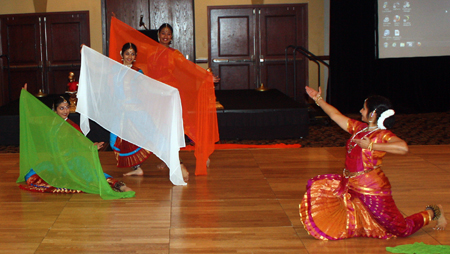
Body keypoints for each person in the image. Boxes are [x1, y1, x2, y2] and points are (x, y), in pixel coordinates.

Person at [299, 86, 447, 240]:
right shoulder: (359, 129)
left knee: (401, 229)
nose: (361, 111)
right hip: (350, 183)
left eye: (364, 108)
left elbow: (403, 147)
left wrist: (371, 146)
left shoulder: (383, 135)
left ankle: (434, 211)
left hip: (372, 188)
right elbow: (335, 115)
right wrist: (318, 99)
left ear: (373, 114)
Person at [20, 85, 132, 193]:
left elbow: (81, 141)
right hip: (55, 162)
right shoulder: (50, 123)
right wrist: (25, 99)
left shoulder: (71, 126)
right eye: (61, 108)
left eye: (67, 107)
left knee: (92, 175)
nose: (65, 111)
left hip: (71, 161)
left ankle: (119, 185)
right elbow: (31, 118)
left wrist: (92, 146)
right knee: (30, 175)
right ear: (55, 110)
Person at [111, 42, 190, 181]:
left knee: (156, 139)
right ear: (121, 54)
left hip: (136, 111)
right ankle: (137, 168)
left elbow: (149, 87)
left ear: (135, 56)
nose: (130, 56)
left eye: (132, 54)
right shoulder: (115, 70)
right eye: (127, 53)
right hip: (121, 114)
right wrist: (85, 53)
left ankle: (179, 165)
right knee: (115, 142)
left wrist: (168, 92)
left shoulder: (137, 72)